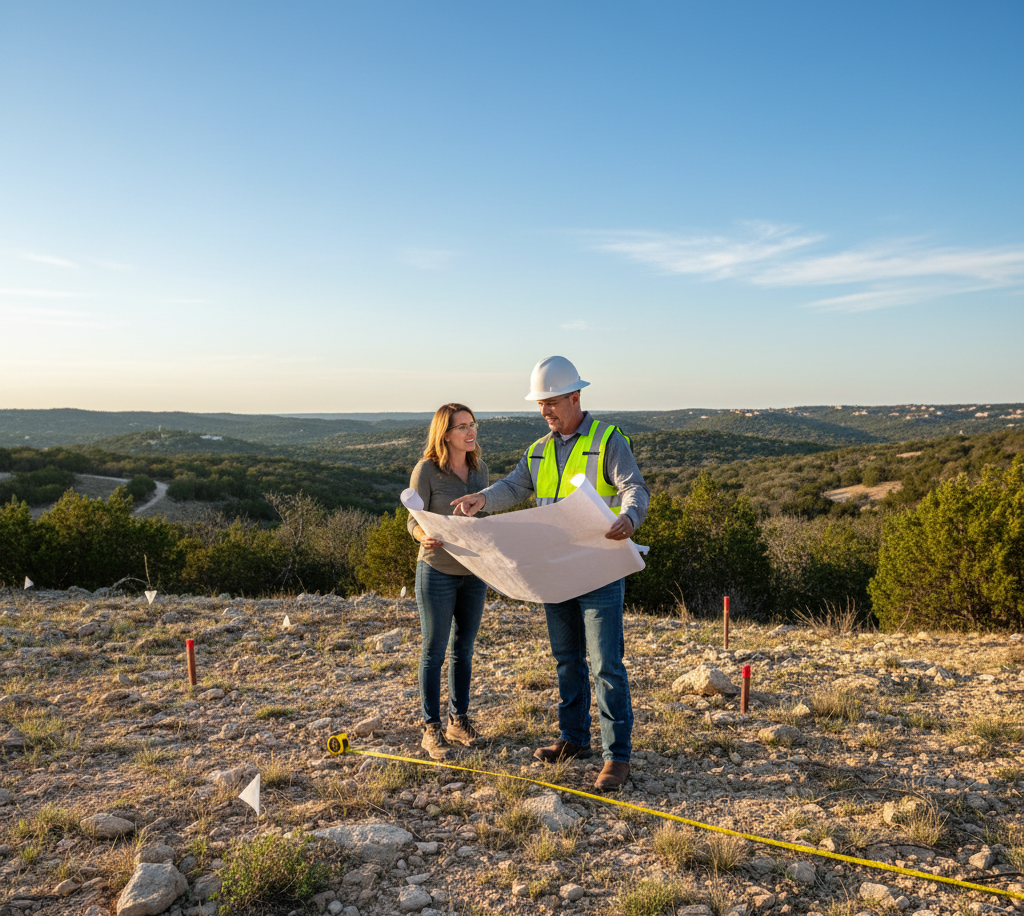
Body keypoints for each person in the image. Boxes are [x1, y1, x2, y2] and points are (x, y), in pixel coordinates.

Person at [451, 357, 649, 790]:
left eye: (552, 402)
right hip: (555, 570)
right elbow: (515, 485)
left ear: (575, 397)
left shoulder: (608, 440)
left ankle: (617, 756)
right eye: (540, 404)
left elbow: (634, 487)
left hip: (599, 568)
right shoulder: (538, 449)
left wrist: (631, 516)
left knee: (606, 664)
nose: (545, 411)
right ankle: (573, 739)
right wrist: (482, 499)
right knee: (566, 659)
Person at [407, 403, 490, 761]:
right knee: (434, 651)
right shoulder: (426, 470)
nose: (471, 432)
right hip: (437, 570)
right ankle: (431, 728)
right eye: (462, 427)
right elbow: (412, 519)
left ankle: (459, 721)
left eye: (472, 424)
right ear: (445, 434)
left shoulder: (480, 470)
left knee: (464, 649)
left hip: (474, 572)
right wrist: (421, 535)